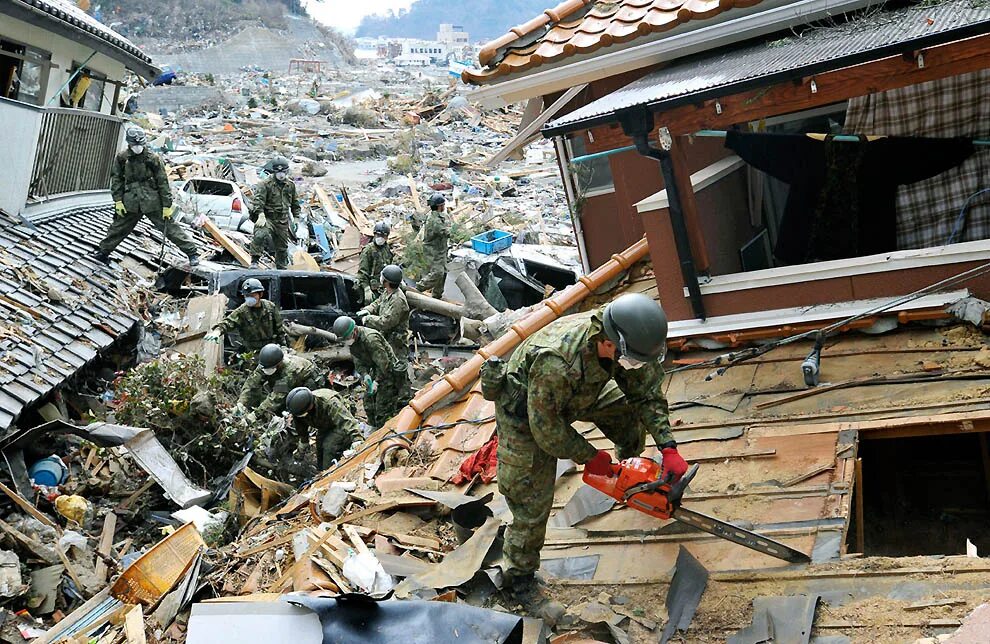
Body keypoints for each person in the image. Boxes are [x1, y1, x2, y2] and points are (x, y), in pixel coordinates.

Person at [491, 293, 686, 603]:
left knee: (627, 412)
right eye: (631, 358)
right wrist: (591, 457)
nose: (634, 363)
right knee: (530, 499)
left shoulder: (627, 337)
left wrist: (669, 446)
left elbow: (646, 394)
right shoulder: (556, 361)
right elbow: (548, 430)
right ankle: (518, 579)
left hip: (583, 389)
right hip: (529, 413)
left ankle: (633, 482)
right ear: (609, 343)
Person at [94, 128, 199, 266]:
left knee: (170, 228)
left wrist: (167, 205)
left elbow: (163, 182)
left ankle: (192, 253)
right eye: (134, 144)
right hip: (130, 201)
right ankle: (103, 252)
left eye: (139, 144)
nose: (137, 147)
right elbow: (117, 180)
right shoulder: (122, 158)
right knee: (118, 228)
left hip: (152, 201)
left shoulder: (153, 158)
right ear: (129, 144)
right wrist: (118, 201)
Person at [332, 315, 410, 428]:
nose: (346, 341)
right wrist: (365, 375)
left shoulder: (371, 339)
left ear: (354, 331)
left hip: (389, 374)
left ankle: (386, 431)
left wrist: (377, 382)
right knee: (369, 406)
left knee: (382, 411)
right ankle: (374, 429)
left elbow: (385, 365)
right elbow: (358, 361)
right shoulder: (353, 342)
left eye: (346, 338)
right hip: (374, 371)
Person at [236, 344, 322, 423]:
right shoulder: (266, 363)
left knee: (296, 408)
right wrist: (241, 403)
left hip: (307, 381)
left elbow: (276, 398)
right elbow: (251, 383)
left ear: (279, 363)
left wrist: (255, 415)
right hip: (286, 378)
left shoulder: (289, 371)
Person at [286, 387, 363, 469]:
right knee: (319, 447)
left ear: (310, 406)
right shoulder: (298, 410)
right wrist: (304, 442)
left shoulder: (329, 402)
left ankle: (329, 472)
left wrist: (357, 439)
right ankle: (321, 471)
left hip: (339, 423)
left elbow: (346, 421)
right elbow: (301, 427)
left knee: (329, 447)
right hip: (325, 424)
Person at [206, 278, 288, 353]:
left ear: (260, 294)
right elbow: (229, 322)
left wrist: (284, 347)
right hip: (252, 351)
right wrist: (217, 331)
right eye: (247, 296)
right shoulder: (242, 311)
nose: (249, 298)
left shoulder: (270, 307)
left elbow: (279, 329)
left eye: (252, 295)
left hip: (271, 349)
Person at [250, 157, 298, 269]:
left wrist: (296, 218)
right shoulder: (265, 184)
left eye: (283, 172)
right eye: (278, 172)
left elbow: (295, 203)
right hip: (268, 217)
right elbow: (258, 201)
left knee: (282, 247)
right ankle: (254, 261)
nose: (281, 175)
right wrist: (260, 215)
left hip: (282, 220)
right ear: (274, 172)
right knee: (260, 234)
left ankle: (281, 268)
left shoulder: (290, 185)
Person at [356, 264, 409, 364]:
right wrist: (368, 309)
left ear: (387, 282)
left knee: (394, 366)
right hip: (386, 336)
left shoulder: (398, 300)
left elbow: (386, 322)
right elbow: (379, 302)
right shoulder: (388, 291)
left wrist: (368, 319)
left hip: (395, 343)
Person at [417, 194, 450, 298]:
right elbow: (445, 231)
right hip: (433, 251)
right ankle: (419, 287)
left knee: (444, 272)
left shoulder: (440, 216)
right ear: (440, 206)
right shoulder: (433, 219)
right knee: (438, 273)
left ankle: (437, 294)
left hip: (441, 250)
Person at [357, 221, 395, 305]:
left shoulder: (386, 249)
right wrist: (366, 289)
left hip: (384, 287)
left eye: (383, 236)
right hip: (372, 289)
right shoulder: (368, 250)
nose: (380, 238)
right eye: (378, 235)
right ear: (374, 234)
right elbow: (362, 273)